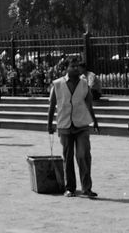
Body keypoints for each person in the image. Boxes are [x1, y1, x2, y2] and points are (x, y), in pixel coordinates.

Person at [47, 54, 99, 198]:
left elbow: (89, 103)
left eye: (77, 66)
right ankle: (69, 187)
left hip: (81, 124)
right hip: (64, 125)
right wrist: (49, 124)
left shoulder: (84, 84)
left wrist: (94, 120)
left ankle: (87, 188)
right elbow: (51, 106)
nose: (76, 69)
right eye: (72, 66)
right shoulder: (57, 84)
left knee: (84, 155)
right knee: (67, 157)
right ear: (66, 68)